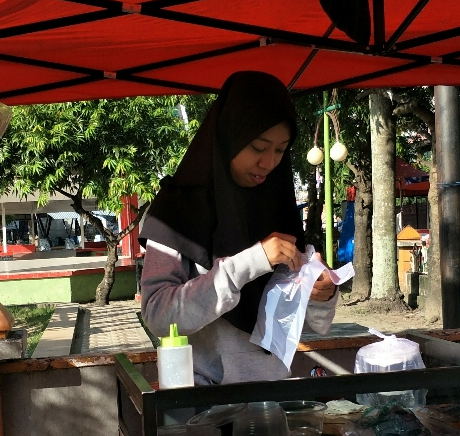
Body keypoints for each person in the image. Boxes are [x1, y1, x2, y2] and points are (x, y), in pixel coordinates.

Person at [139, 71, 338, 385]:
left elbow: (301, 322)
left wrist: (321, 295)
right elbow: (158, 315)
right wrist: (252, 262)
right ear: (230, 135)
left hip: (272, 403)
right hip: (204, 409)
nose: (268, 163)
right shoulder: (178, 211)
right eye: (259, 148)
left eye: (280, 149)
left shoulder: (277, 207)